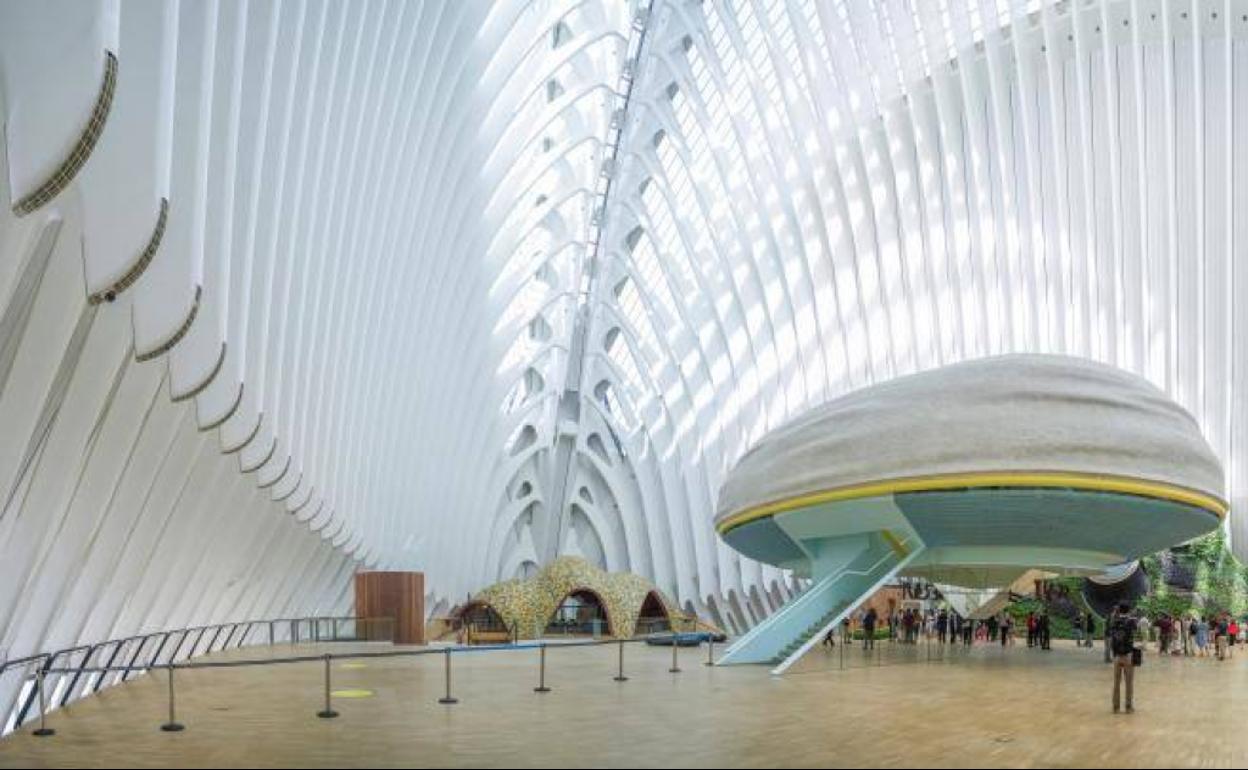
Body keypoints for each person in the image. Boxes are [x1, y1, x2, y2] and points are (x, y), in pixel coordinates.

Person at [1108, 603, 1137, 714]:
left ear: (1119, 610)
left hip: (1117, 656)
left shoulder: (1114, 621)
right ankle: (1128, 707)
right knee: (1129, 683)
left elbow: (1111, 637)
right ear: (1128, 610)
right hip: (1128, 656)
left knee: (1116, 682)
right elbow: (1135, 630)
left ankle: (1115, 707)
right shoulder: (1131, 621)